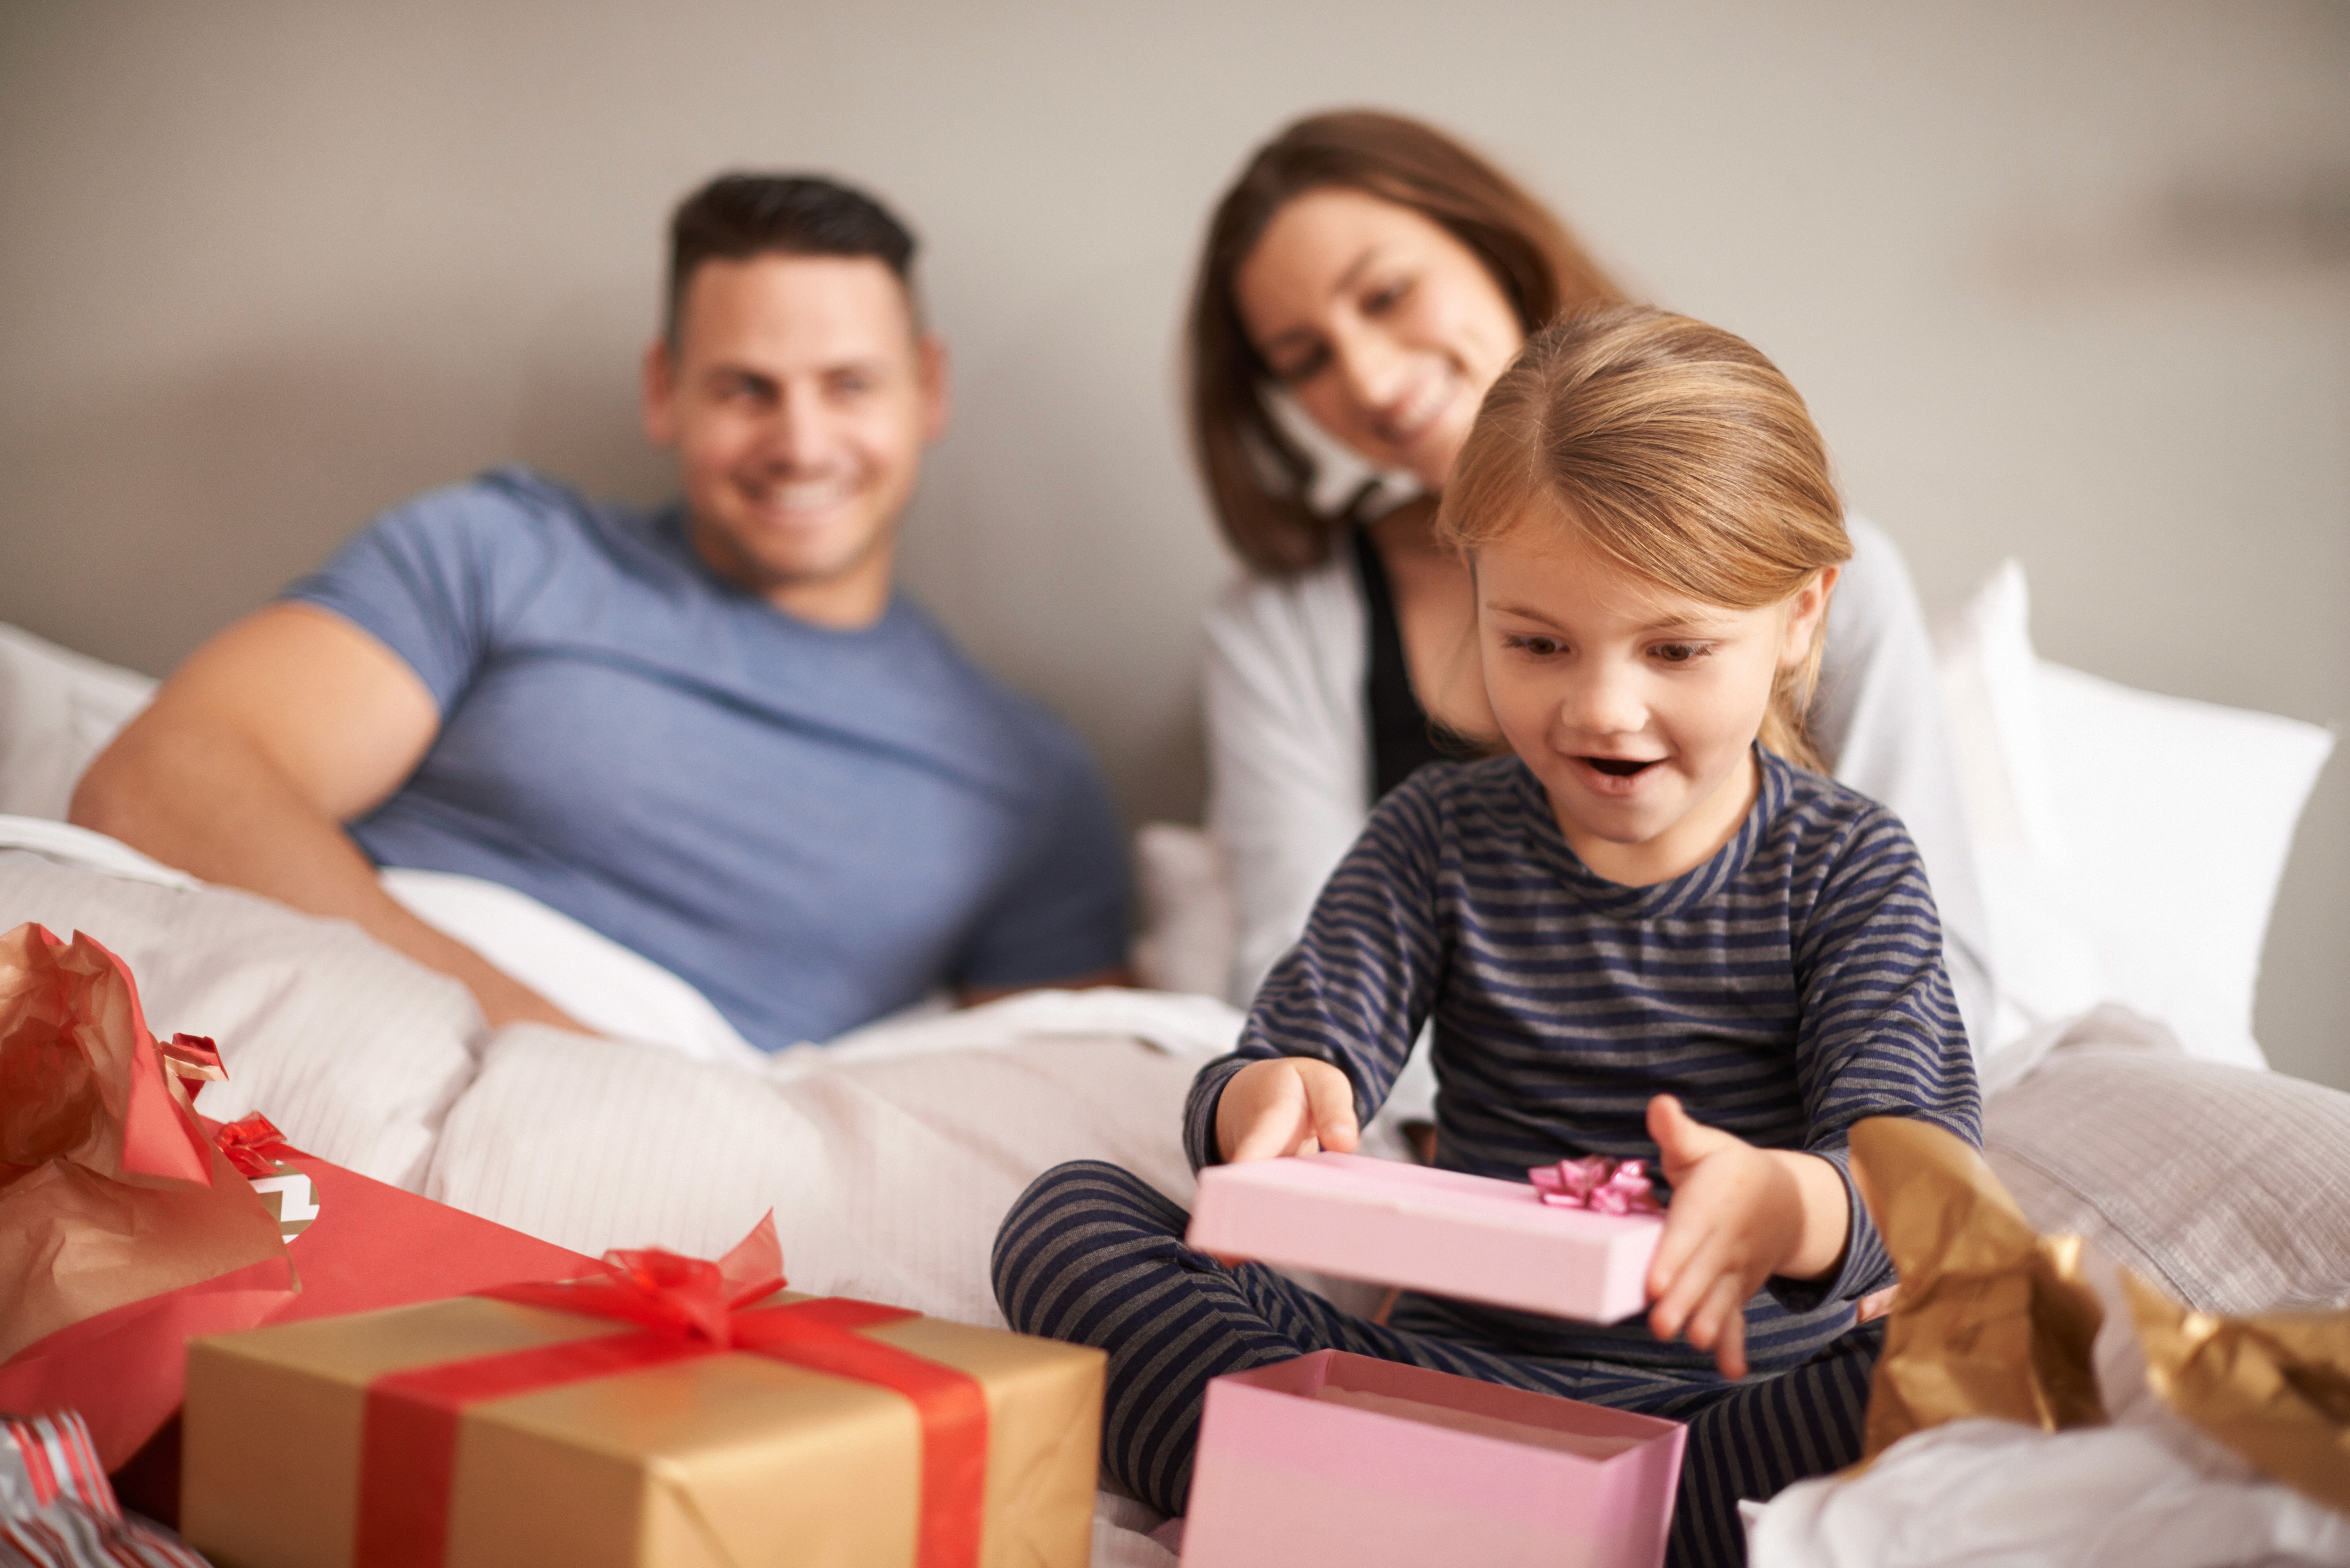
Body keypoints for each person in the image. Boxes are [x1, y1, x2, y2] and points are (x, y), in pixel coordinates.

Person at [995, 306, 1982, 1566]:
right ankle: (1494, 1514)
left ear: (1800, 616)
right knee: (1068, 1223)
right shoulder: (1435, 836)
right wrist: (1263, 1098)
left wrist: (1785, 1206)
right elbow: (1299, 1052)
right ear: (1478, 599)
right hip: (1430, 1379)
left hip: (1728, 1411)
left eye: (1676, 649)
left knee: (1977, 1342)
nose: (1602, 708)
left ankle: (1415, 1513)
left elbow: (1916, 1180)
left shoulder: (1847, 866)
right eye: (1537, 643)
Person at [72, 173, 1131, 1052]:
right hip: (340, 1046)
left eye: (850, 384)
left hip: (667, 1173)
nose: (802, 445)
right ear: (665, 390)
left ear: (929, 388)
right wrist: (547, 1050)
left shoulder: (1026, 784)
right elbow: (160, 786)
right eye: (746, 389)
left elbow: (1066, 1101)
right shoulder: (504, 553)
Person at [1188, 110, 1992, 1059]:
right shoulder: (1305, 661)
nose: (1366, 378)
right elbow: (1302, 981)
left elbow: (1934, 986)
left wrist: (1762, 1134)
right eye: (1306, 359)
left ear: (1800, 617)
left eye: (1388, 294)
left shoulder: (1836, 649)